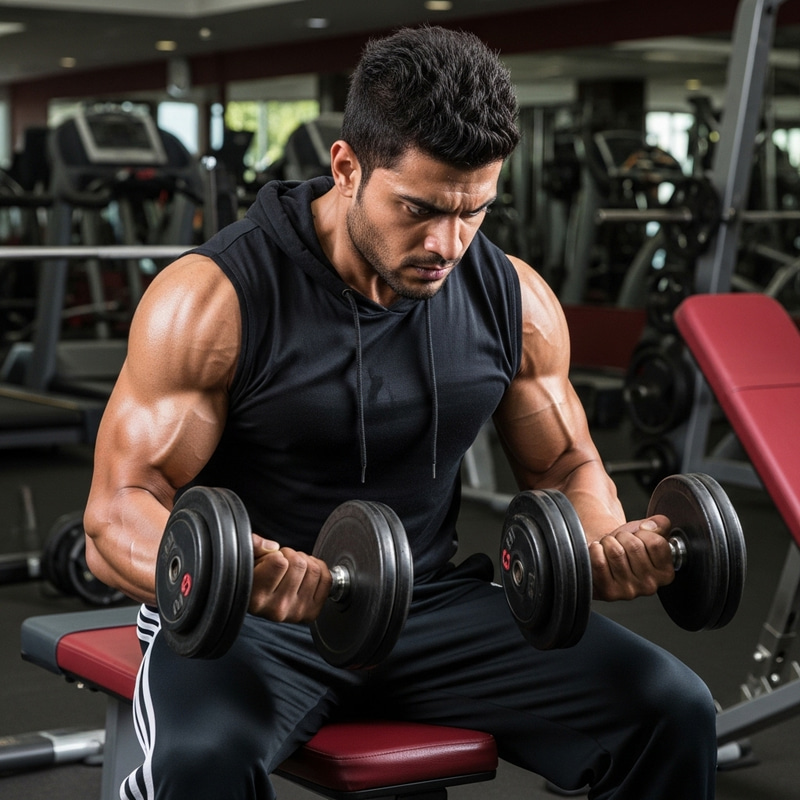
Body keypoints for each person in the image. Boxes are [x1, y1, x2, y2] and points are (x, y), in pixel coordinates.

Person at [83, 25, 717, 800]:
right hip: (251, 625)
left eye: (474, 211)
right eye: (418, 208)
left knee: (672, 710)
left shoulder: (512, 299)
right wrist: (241, 576)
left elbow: (565, 465)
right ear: (346, 168)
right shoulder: (215, 297)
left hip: (429, 605)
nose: (447, 244)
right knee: (202, 762)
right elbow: (115, 516)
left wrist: (599, 546)